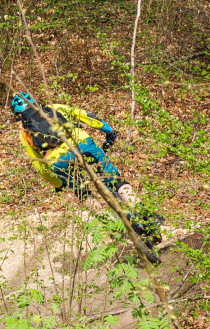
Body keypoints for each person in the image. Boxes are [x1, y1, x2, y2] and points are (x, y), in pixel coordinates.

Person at [9, 90, 162, 247]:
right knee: (114, 180)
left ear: (19, 116)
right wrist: (108, 132)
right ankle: (144, 213)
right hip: (81, 144)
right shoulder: (53, 107)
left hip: (59, 162)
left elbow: (39, 166)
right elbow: (87, 117)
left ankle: (113, 227)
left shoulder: (24, 133)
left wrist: (58, 183)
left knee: (83, 193)